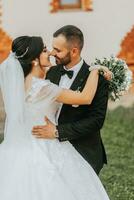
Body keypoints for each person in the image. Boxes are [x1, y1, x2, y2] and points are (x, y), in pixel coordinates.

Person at [0, 36, 110, 200]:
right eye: (44, 50)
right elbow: (85, 98)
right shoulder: (41, 87)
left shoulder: (21, 84)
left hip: (24, 144)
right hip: (46, 144)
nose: (50, 53)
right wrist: (95, 70)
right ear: (34, 61)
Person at [32, 25, 109, 174]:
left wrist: (58, 132)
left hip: (83, 150)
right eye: (53, 48)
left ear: (74, 51)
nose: (53, 53)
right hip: (51, 149)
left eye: (58, 50)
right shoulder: (52, 72)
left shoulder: (97, 77)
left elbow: (96, 120)